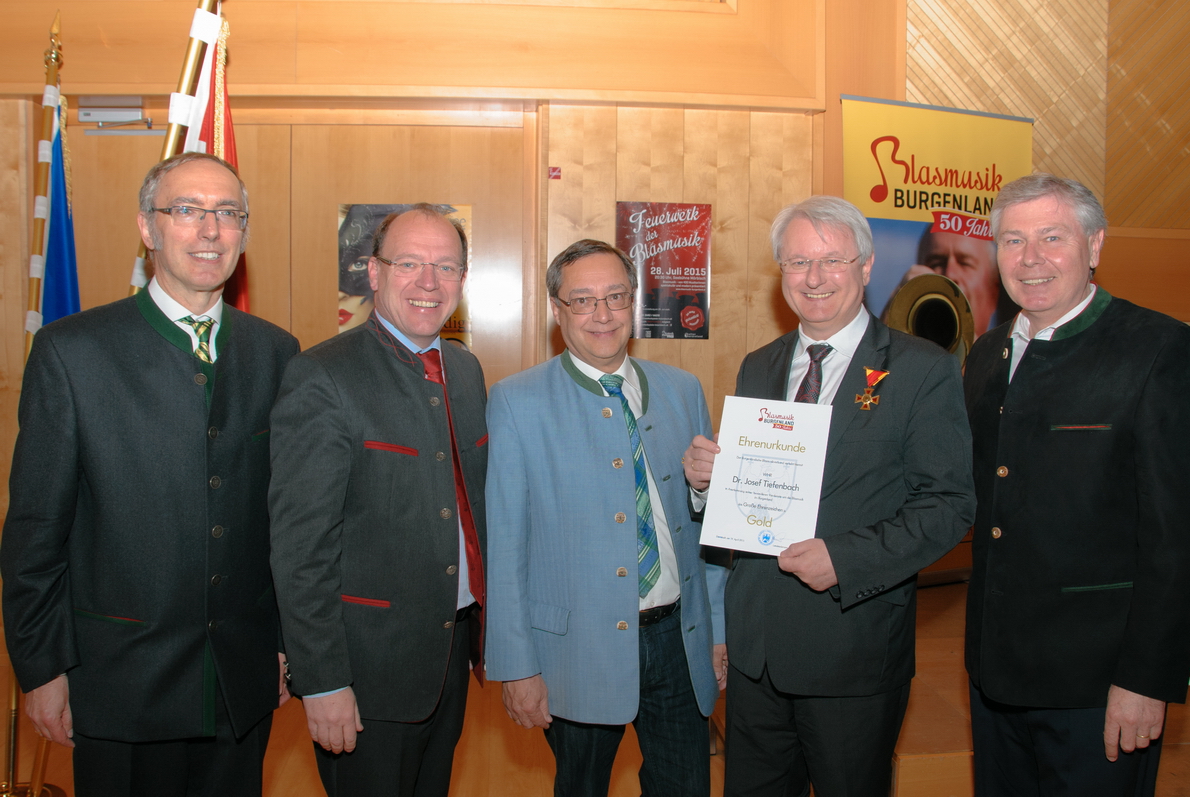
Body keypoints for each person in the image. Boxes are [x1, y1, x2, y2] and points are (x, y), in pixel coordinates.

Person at [1, 151, 298, 796]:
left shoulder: (277, 352)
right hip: (117, 684)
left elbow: (281, 521)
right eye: (186, 210)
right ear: (147, 227)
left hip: (239, 682)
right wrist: (42, 668)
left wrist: (282, 644)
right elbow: (34, 532)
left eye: (227, 213)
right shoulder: (72, 352)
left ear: (244, 232)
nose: (210, 230)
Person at [685, 196, 975, 797]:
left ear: (865, 267)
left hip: (852, 652)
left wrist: (845, 558)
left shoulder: (922, 370)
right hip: (756, 653)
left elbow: (949, 505)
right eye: (797, 262)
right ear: (781, 273)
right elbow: (749, 502)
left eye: (831, 260)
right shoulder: (759, 367)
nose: (813, 278)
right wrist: (705, 485)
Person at [963, 173, 1190, 797]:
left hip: (1098, 686)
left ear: (1094, 246)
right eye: (1013, 240)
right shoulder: (986, 356)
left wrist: (1147, 680)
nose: (1030, 258)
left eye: (1052, 237)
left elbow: (1179, 537)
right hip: (993, 675)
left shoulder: (1161, 350)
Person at [485, 239, 726, 797]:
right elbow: (506, 546)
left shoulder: (683, 390)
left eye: (616, 296)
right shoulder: (517, 402)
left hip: (678, 640)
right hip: (575, 652)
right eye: (583, 300)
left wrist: (717, 630)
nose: (603, 314)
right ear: (557, 310)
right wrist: (516, 666)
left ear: (633, 302)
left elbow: (711, 527)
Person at [269, 205, 486, 797]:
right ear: (373, 271)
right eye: (409, 263)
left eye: (446, 266)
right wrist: (321, 680)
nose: (429, 282)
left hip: (449, 656)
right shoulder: (322, 376)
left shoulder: (465, 370)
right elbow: (300, 548)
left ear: (462, 279)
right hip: (364, 673)